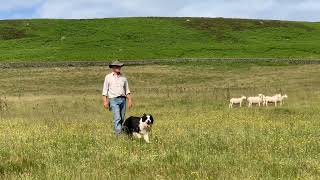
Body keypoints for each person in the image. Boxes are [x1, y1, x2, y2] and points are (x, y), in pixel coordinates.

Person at [102, 61, 132, 135]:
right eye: (117, 66)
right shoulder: (108, 77)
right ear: (113, 67)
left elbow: (127, 90)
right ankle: (118, 135)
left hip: (123, 100)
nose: (119, 68)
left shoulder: (123, 78)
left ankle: (120, 132)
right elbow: (105, 90)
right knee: (117, 118)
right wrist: (105, 101)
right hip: (113, 100)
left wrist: (130, 100)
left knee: (121, 118)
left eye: (120, 66)